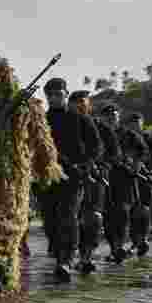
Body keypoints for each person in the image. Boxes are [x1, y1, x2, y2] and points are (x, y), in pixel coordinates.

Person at [0, 55, 64, 298]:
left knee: (0, 224)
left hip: (5, 175)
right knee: (0, 223)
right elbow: (43, 144)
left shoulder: (20, 106)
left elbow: (42, 142)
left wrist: (46, 168)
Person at [39, 78, 101, 282]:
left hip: (73, 178)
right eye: (50, 95)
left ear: (66, 94)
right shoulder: (42, 121)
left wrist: (85, 166)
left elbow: (96, 147)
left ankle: (65, 260)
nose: (54, 98)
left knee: (67, 217)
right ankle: (59, 256)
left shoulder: (81, 119)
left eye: (58, 94)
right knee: (50, 221)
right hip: (47, 178)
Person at [67, 91, 105, 273]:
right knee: (72, 219)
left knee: (92, 218)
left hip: (92, 177)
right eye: (76, 103)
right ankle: (70, 257)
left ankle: (86, 257)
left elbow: (112, 151)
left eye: (83, 103)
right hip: (70, 177)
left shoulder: (99, 126)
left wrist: (93, 163)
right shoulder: (64, 124)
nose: (80, 106)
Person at [93, 103, 131, 263]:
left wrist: (132, 162)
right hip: (102, 176)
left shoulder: (128, 134)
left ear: (118, 117)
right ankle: (114, 248)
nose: (111, 118)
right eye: (107, 116)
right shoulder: (96, 131)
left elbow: (141, 151)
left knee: (122, 212)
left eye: (113, 115)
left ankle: (120, 245)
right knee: (107, 215)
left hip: (122, 177)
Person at [118, 112, 152, 256]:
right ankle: (133, 242)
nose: (135, 126)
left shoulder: (150, 139)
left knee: (143, 209)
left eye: (137, 123)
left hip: (145, 178)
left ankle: (143, 238)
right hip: (127, 177)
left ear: (142, 123)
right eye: (132, 123)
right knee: (131, 211)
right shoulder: (125, 137)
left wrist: (147, 164)